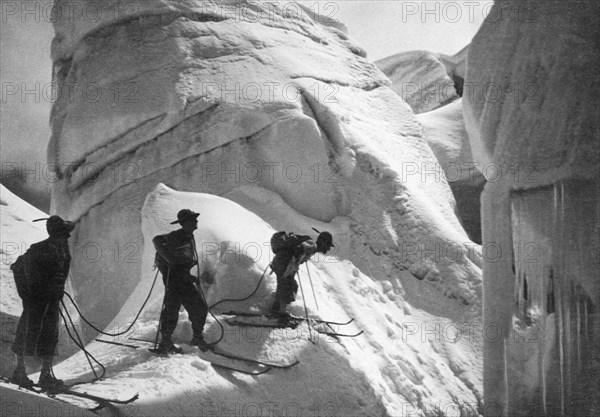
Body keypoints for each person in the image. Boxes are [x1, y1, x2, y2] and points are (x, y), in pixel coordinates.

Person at [10, 215, 75, 389]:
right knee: (27, 331)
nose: (67, 237)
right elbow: (28, 275)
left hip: (52, 299)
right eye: (63, 233)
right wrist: (35, 296)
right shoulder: (37, 250)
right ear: (55, 233)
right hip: (36, 300)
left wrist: (56, 291)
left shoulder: (63, 249)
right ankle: (19, 372)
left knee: (50, 333)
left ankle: (45, 374)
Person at [153, 209, 210, 353]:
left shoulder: (189, 237)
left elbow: (181, 263)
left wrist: (190, 277)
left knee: (200, 308)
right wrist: (170, 259)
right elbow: (157, 240)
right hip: (173, 281)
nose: (196, 221)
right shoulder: (176, 236)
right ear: (185, 223)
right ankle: (165, 343)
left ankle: (197, 337)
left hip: (182, 279)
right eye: (193, 219)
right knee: (171, 310)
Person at [270, 231, 335, 319]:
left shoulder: (312, 247)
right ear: (323, 242)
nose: (328, 249)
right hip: (284, 262)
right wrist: (295, 260)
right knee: (287, 285)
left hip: (282, 262)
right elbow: (299, 248)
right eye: (328, 245)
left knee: (291, 285)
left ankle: (277, 308)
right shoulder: (312, 245)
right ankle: (281, 313)